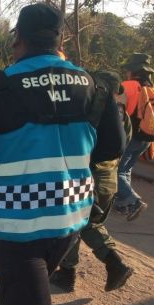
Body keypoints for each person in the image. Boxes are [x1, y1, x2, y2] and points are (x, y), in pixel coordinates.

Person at [0, 3, 125, 305]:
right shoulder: (95, 86)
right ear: (61, 43)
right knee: (24, 292)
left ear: (18, 40)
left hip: (18, 221)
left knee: (29, 303)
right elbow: (112, 147)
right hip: (72, 217)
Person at [51, 71, 133, 293]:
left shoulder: (93, 112)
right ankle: (67, 273)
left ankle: (115, 264)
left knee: (81, 223)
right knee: (77, 223)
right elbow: (122, 145)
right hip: (110, 180)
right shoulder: (122, 116)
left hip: (90, 177)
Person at [113, 53, 154, 221]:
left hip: (131, 136)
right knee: (125, 170)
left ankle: (134, 201)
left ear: (133, 70)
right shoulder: (153, 88)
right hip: (146, 139)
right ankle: (121, 204)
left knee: (114, 170)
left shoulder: (129, 86)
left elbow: (117, 111)